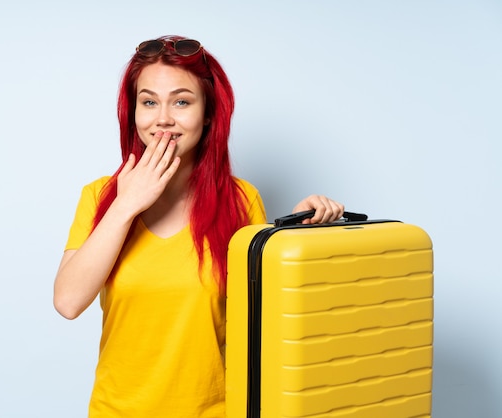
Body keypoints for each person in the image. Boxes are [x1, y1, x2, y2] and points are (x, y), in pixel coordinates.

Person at [53, 35, 344, 417]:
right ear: (133, 111)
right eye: (149, 102)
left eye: (182, 101)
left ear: (208, 113)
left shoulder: (242, 201)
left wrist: (294, 236)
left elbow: (266, 322)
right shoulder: (100, 197)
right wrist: (126, 206)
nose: (163, 119)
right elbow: (68, 302)